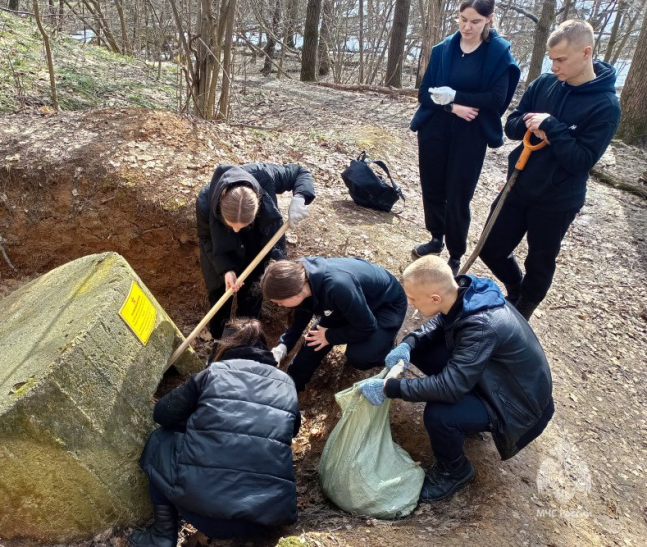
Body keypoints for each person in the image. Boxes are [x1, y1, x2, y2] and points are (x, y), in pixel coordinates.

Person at [357, 256, 554, 503]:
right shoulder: (465, 292)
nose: (409, 303)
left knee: (440, 414)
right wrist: (409, 344)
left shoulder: (480, 327)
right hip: (495, 380)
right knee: (423, 349)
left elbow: (449, 388)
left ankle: (454, 471)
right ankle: (468, 419)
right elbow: (442, 322)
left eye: (413, 299)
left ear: (435, 298)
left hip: (517, 404)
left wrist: (391, 388)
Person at [479, 20, 621, 320]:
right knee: (490, 247)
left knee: (540, 261)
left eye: (561, 59)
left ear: (586, 53)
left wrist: (552, 128)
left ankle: (523, 311)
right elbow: (513, 126)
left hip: (557, 199)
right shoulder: (544, 83)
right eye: (551, 58)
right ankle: (515, 289)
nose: (554, 66)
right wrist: (532, 123)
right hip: (519, 185)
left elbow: (581, 160)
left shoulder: (606, 105)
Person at [131, 319, 300, 546]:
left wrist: (196, 420)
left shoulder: (213, 373)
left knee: (159, 440)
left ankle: (162, 535)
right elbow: (291, 430)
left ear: (225, 346)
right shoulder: (287, 384)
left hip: (206, 515)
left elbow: (162, 414)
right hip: (265, 518)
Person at [409, 0, 520, 275]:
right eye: (462, 19)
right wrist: (450, 106)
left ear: (489, 19)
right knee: (432, 186)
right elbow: (425, 94)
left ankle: (455, 252)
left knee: (458, 194)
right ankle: (436, 238)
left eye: (475, 21)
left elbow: (496, 99)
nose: (467, 27)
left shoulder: (498, 54)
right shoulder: (443, 50)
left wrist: (457, 95)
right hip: (435, 127)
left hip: (470, 133)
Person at [197, 163, 316, 339]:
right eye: (232, 226)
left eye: (243, 225)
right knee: (219, 295)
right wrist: (226, 269)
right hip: (218, 251)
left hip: (255, 247)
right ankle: (218, 340)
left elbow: (300, 172)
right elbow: (206, 238)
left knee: (252, 296)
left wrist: (300, 197)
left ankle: (244, 339)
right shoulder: (206, 200)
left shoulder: (263, 175)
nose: (236, 230)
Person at [260, 257, 407, 392]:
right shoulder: (297, 278)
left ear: (296, 293)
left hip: (385, 304)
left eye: (280, 302)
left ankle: (385, 349)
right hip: (347, 305)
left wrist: (330, 336)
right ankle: (292, 385)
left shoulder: (337, 286)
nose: (279, 306)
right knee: (313, 343)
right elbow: (300, 318)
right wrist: (282, 347)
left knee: (360, 356)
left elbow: (367, 326)